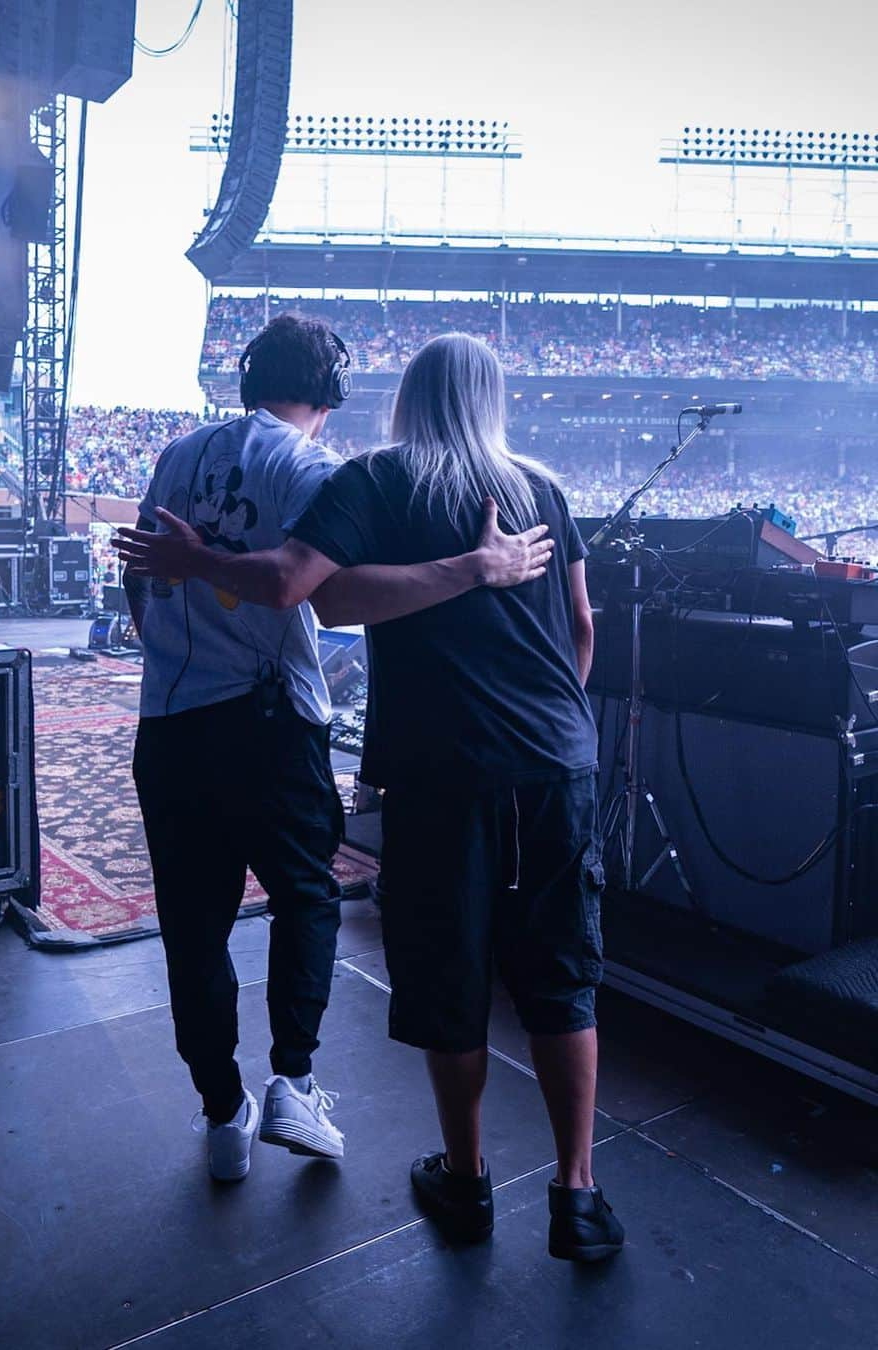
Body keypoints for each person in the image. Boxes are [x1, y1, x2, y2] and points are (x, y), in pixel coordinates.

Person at [117, 333, 624, 1262]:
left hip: (426, 769)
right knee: (561, 977)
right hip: (554, 763)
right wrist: (553, 726)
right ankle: (578, 1195)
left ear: (403, 400)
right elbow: (584, 631)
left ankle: (458, 1180)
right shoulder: (542, 487)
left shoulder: (372, 479)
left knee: (447, 979)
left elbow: (314, 595)